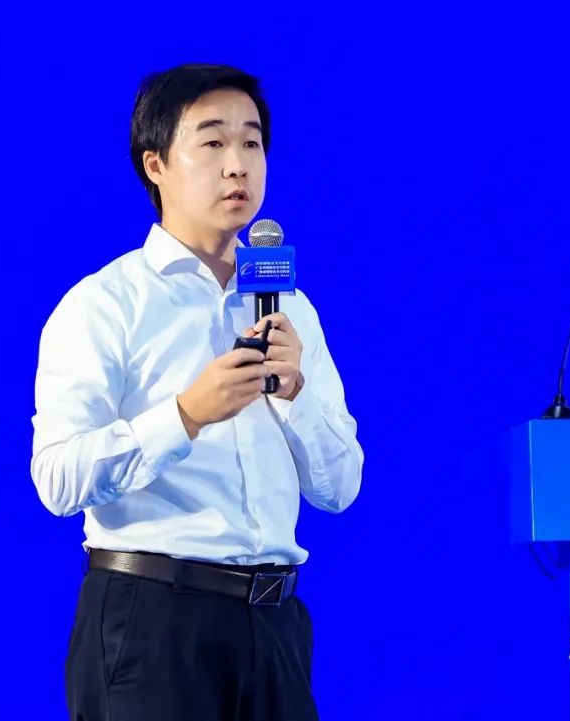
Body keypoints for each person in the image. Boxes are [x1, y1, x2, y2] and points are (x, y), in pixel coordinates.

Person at [29, 63, 364, 721]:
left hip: (275, 625)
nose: (238, 164)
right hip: (155, 621)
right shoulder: (105, 304)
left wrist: (293, 393)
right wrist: (185, 415)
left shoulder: (292, 308)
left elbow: (341, 487)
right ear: (155, 164)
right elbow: (58, 480)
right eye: (213, 142)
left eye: (252, 142)